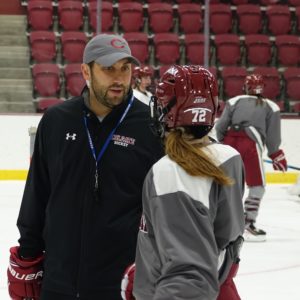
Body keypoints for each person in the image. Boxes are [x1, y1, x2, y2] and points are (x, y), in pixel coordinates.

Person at [7, 33, 163, 300]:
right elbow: (38, 192)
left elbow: (162, 209)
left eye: (125, 68)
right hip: (57, 280)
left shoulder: (150, 126)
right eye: (108, 69)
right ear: (85, 71)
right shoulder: (57, 121)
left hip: (122, 283)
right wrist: (28, 253)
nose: (119, 78)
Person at [121, 65, 245, 300]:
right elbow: (213, 240)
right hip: (220, 285)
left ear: (168, 110)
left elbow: (190, 275)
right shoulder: (229, 157)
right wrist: (151, 267)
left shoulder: (172, 172)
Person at [215, 73, 287, 242]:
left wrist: (223, 145)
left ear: (245, 87)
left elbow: (220, 127)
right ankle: (248, 223)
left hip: (229, 144)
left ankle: (219, 223)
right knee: (257, 186)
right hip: (251, 146)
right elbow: (272, 138)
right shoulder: (271, 106)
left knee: (225, 184)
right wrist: (275, 154)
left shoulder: (234, 101)